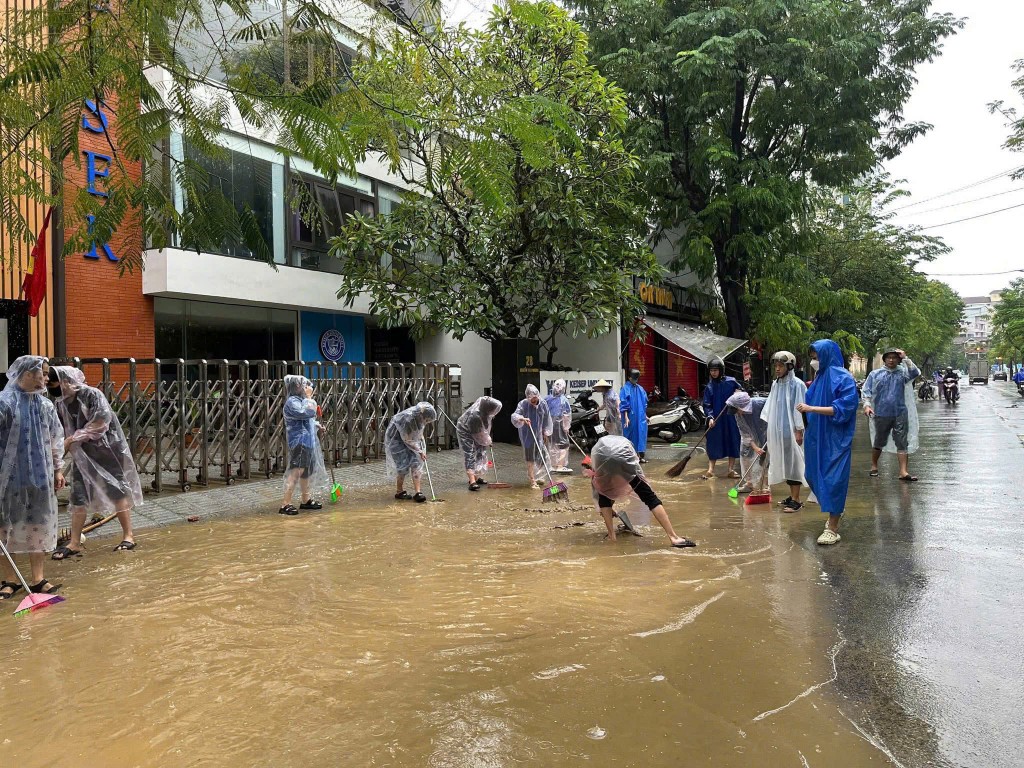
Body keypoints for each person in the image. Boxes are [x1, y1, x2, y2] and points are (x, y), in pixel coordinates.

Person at [49, 366, 142, 558]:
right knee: (79, 495)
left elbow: (100, 423)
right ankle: (75, 543)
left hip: (108, 451)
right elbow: (60, 431)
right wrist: (59, 456)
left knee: (116, 490)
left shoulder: (91, 395)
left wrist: (72, 439)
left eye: (53, 383)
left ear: (65, 380)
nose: (51, 388)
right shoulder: (61, 403)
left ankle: (128, 536)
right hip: (83, 454)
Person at [0, 356, 64, 599]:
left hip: (40, 475)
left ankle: (38, 579)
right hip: (7, 478)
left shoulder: (45, 406)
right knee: (4, 527)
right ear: (27, 373)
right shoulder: (4, 403)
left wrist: (58, 469)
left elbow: (55, 439)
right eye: (43, 373)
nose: (47, 378)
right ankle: (10, 579)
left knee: (38, 524)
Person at [797, 340, 859, 545]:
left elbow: (845, 408)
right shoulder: (818, 378)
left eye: (816, 357)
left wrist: (812, 409)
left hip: (836, 438)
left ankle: (833, 526)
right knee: (812, 475)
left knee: (834, 479)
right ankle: (835, 509)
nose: (814, 361)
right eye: (812, 358)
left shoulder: (843, 378)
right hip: (816, 437)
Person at [586, 435, 695, 548]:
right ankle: (674, 537)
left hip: (603, 461)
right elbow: (634, 464)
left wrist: (604, 509)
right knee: (650, 498)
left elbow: (602, 491)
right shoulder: (623, 444)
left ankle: (611, 536)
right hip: (625, 460)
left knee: (603, 496)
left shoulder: (598, 454)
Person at [863, 348, 920, 481]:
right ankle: (874, 465)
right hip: (881, 413)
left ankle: (903, 471)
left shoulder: (903, 374)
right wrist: (867, 406)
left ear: (898, 360)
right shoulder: (875, 374)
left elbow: (915, 372)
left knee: (902, 442)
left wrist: (905, 357)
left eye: (894, 357)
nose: (891, 360)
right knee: (879, 441)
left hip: (900, 412)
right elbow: (866, 391)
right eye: (888, 357)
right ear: (884, 359)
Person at [761, 351, 807, 511]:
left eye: (781, 366)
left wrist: (799, 430)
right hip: (779, 432)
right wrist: (771, 429)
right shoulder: (776, 384)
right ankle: (791, 496)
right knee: (786, 463)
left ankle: (796, 500)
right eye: (776, 366)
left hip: (792, 432)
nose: (777, 369)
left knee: (794, 464)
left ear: (790, 366)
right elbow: (772, 407)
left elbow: (800, 408)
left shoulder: (797, 384)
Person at [279, 375, 329, 515]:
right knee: (296, 471)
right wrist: (309, 397)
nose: (307, 387)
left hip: (307, 441)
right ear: (296, 386)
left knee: (305, 471)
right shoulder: (292, 402)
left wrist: (317, 425)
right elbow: (306, 412)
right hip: (299, 442)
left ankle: (305, 499)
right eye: (304, 385)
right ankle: (285, 504)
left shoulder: (301, 400)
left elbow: (308, 419)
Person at [385, 401, 437, 502]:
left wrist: (421, 447)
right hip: (397, 442)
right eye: (426, 420)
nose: (426, 422)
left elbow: (418, 434)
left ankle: (418, 492)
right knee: (402, 466)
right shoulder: (407, 419)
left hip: (411, 441)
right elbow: (407, 439)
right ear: (422, 415)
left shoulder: (420, 419)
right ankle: (399, 491)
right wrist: (420, 451)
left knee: (416, 463)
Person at [701, 357, 741, 479]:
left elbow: (742, 393)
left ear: (721, 370)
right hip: (716, 419)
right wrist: (710, 417)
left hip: (730, 418)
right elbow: (707, 404)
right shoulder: (709, 387)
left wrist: (738, 393)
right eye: (711, 370)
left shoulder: (731, 382)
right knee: (713, 442)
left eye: (715, 370)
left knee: (732, 441)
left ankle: (730, 470)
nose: (713, 373)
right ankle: (710, 470)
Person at [725, 391, 768, 495]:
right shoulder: (737, 414)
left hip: (765, 433)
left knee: (764, 461)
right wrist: (755, 447)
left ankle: (765, 486)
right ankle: (749, 484)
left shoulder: (761, 403)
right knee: (746, 458)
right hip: (749, 437)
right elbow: (743, 431)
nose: (737, 413)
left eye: (737, 410)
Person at [456, 396, 502, 491]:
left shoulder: (486, 415)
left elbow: (484, 430)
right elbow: (478, 433)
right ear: (488, 408)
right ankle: (472, 481)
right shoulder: (475, 416)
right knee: (470, 454)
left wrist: (487, 440)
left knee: (481, 453)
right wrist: (487, 440)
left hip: (477, 433)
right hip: (466, 432)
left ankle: (477, 476)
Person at [511, 385, 553, 488]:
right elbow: (514, 416)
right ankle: (532, 479)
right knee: (530, 458)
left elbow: (547, 418)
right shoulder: (523, 404)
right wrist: (523, 418)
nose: (534, 401)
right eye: (531, 400)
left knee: (542, 456)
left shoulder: (543, 403)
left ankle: (540, 476)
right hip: (528, 434)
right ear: (528, 397)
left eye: (535, 399)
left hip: (539, 435)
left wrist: (545, 432)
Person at [544, 379, 573, 473]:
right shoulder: (563, 400)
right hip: (559, 425)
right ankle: (560, 466)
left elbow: (543, 412)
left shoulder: (546, 399)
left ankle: (553, 465)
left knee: (552, 445)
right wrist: (566, 427)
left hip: (549, 425)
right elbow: (566, 415)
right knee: (563, 445)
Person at [620, 369, 648, 461]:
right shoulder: (625, 389)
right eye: (634, 379)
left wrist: (645, 415)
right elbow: (624, 404)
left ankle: (640, 455)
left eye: (637, 379)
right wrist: (626, 417)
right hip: (630, 417)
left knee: (641, 434)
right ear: (629, 378)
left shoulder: (640, 389)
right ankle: (631, 457)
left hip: (640, 417)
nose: (636, 380)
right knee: (630, 436)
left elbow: (644, 404)